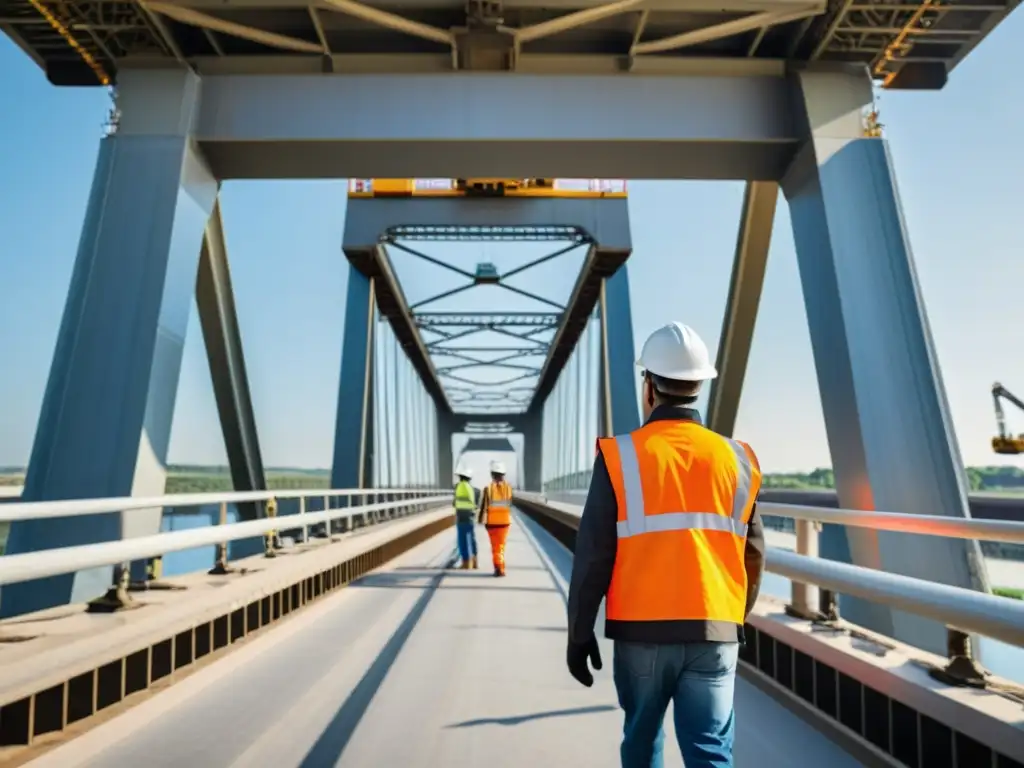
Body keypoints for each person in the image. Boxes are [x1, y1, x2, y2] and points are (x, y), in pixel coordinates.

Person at [566, 321, 766, 768]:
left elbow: (594, 555)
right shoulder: (739, 459)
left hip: (642, 634)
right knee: (711, 751)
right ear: (700, 385)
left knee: (642, 744)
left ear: (648, 387)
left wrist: (579, 632)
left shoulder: (620, 456)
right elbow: (752, 555)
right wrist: (732, 620)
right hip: (714, 629)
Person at [478, 460, 513, 577]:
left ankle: (498, 568)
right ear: (503, 474)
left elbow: (483, 506)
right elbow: (510, 503)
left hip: (492, 523)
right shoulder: (509, 488)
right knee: (501, 546)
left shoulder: (488, 488)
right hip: (505, 523)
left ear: (492, 474)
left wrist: (480, 520)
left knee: (495, 547)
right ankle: (500, 567)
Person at [453, 465, 479, 570]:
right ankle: (475, 562)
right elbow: (476, 504)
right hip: (470, 516)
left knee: (462, 540)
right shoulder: (474, 489)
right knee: (472, 539)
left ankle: (466, 563)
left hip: (461, 516)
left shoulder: (458, 487)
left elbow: (454, 503)